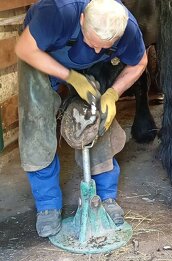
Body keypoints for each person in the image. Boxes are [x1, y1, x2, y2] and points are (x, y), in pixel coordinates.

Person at [15, 0, 147, 238]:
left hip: (88, 63)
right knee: (36, 119)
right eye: (93, 43)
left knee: (98, 118)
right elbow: (25, 49)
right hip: (41, 53)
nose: (97, 50)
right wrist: (70, 77)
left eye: (105, 46)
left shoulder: (126, 28)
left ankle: (104, 197)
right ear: (83, 20)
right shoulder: (57, 11)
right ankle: (47, 206)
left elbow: (139, 62)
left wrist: (113, 93)